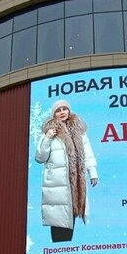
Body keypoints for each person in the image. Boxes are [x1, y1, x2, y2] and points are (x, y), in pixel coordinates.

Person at [34, 99, 98, 242]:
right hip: (57, 182)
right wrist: (47, 138)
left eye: (65, 109)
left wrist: (92, 172)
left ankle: (66, 245)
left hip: (75, 181)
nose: (62, 112)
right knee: (59, 216)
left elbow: (87, 153)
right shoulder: (50, 132)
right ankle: (58, 246)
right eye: (58, 110)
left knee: (71, 212)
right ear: (54, 114)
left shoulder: (79, 131)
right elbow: (39, 157)